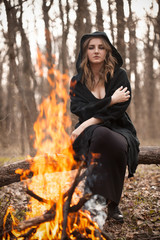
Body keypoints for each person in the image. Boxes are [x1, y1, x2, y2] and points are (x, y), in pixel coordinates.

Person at [69, 31, 140, 223]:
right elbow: (79, 109)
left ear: (108, 50)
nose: (96, 51)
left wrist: (86, 122)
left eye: (101, 47)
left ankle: (104, 201)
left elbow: (117, 111)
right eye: (91, 47)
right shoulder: (77, 81)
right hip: (91, 134)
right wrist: (110, 100)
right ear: (85, 52)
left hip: (118, 127)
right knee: (100, 135)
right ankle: (104, 201)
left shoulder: (119, 75)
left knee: (117, 145)